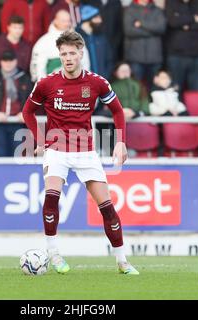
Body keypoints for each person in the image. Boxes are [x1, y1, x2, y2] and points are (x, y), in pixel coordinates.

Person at [22, 31, 139, 275]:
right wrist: (40, 139)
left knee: (106, 207)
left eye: (72, 53)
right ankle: (53, 254)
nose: (67, 58)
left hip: (85, 150)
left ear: (81, 53)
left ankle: (122, 261)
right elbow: (27, 112)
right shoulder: (46, 83)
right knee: (52, 197)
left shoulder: (97, 83)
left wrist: (120, 142)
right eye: (63, 54)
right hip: (56, 149)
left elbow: (118, 112)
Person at [0, 50, 33, 157]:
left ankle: (17, 174)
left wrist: (25, 112)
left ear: (15, 62)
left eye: (10, 60)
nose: (8, 63)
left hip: (18, 122)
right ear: (1, 62)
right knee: (0, 153)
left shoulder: (24, 77)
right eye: (5, 61)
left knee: (18, 155)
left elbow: (32, 98)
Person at [30, 9, 90, 82]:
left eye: (68, 21)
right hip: (52, 88)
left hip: (75, 85)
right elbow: (37, 68)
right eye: (63, 21)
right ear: (55, 21)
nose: (67, 23)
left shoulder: (78, 40)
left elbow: (85, 62)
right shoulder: (44, 42)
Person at [165, 0, 198, 93]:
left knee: (196, 92)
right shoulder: (171, 2)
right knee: (175, 91)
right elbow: (172, 21)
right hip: (176, 54)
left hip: (197, 55)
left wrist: (184, 23)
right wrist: (194, 18)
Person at [123, 0, 166, 89]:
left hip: (154, 57)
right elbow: (129, 31)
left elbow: (161, 28)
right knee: (135, 87)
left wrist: (141, 24)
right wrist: (152, 32)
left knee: (155, 88)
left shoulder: (157, 10)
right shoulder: (129, 10)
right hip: (135, 57)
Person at [75, 5, 113, 79]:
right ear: (88, 19)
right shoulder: (75, 38)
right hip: (84, 83)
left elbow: (110, 59)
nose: (100, 20)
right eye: (96, 18)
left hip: (101, 82)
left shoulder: (101, 37)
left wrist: (105, 75)